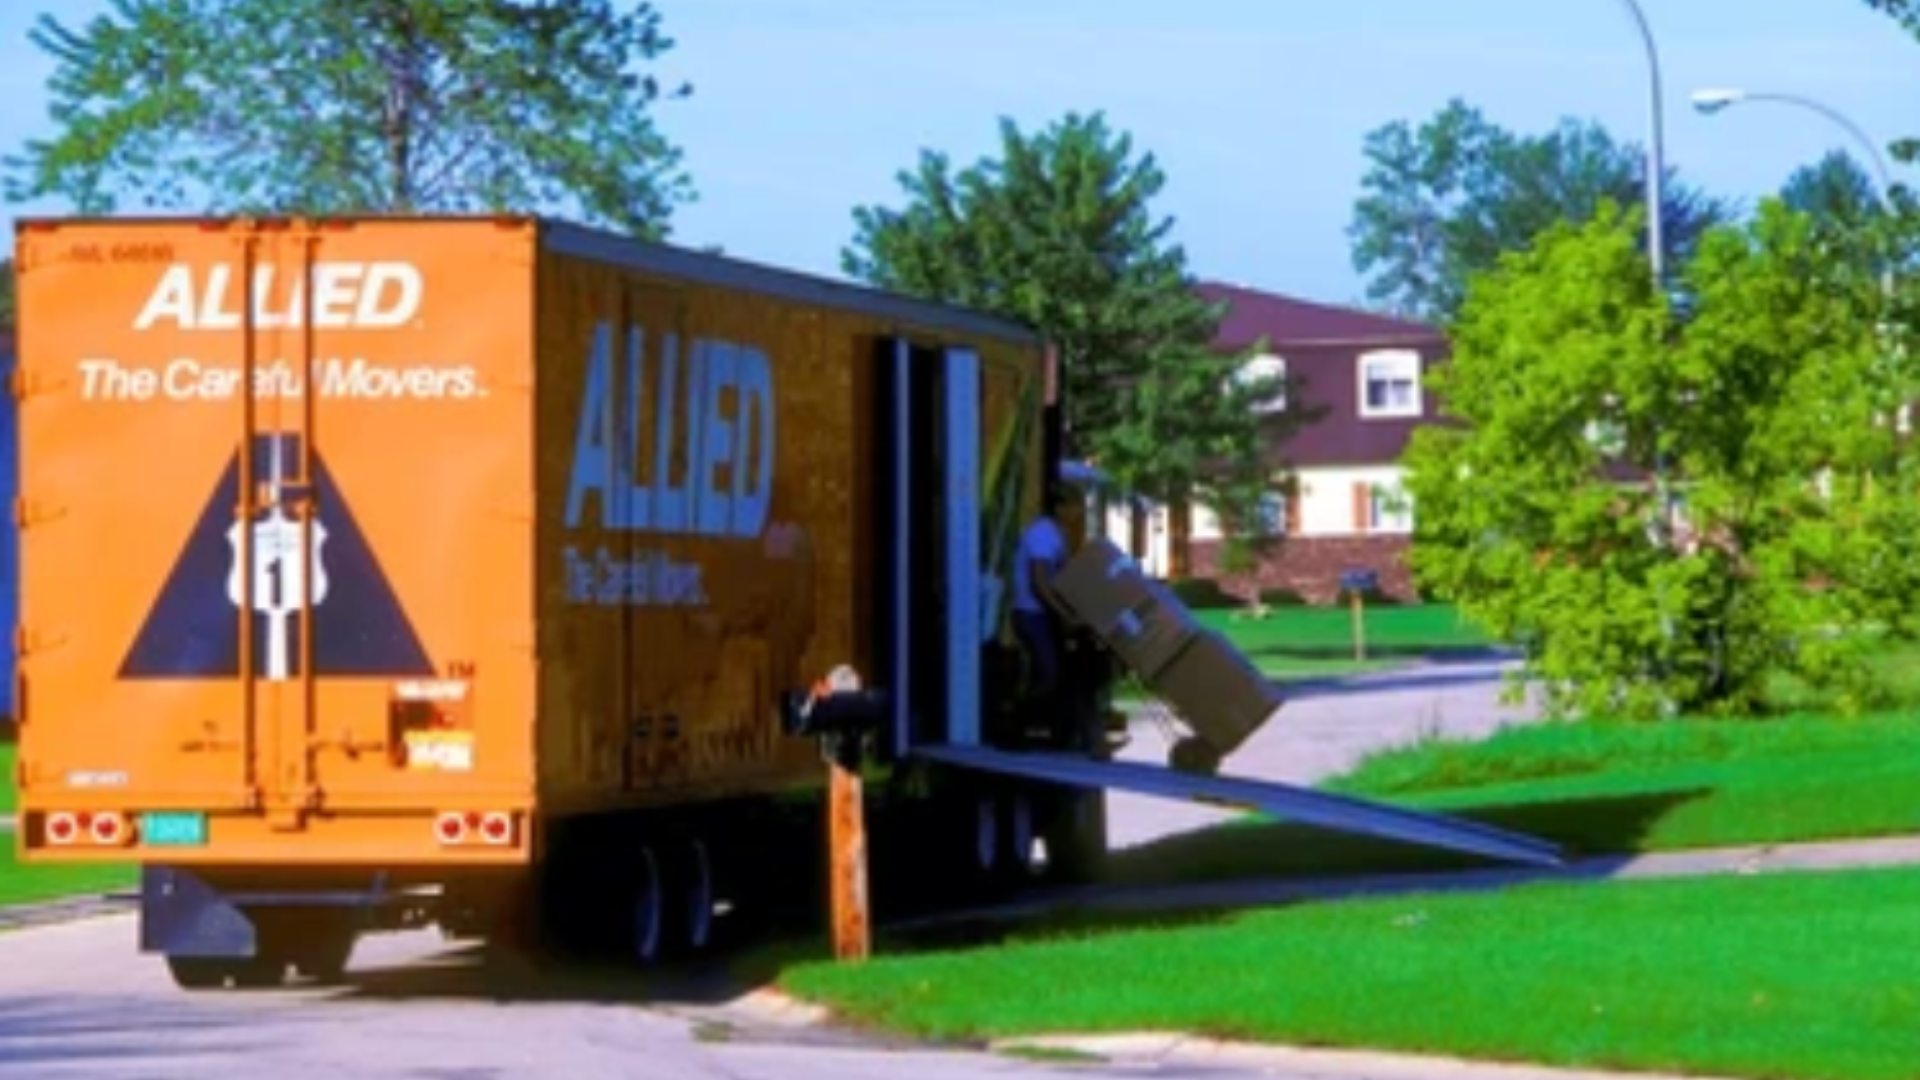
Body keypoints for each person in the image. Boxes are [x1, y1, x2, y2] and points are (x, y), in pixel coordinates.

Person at [1011, 486, 1083, 701]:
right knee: (1049, 674)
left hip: (1040, 614)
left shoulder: (1056, 534)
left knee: (1050, 673)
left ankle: (1038, 725)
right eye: (1074, 506)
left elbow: (1061, 578)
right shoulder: (1043, 535)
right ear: (1059, 509)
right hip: (1030, 615)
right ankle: (1020, 721)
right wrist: (1065, 615)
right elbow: (1039, 583)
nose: (1079, 512)